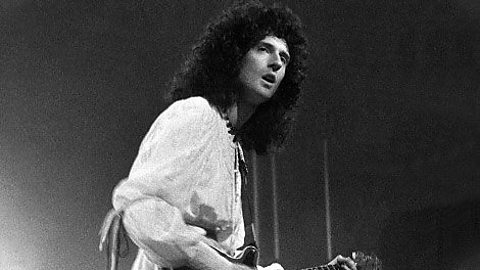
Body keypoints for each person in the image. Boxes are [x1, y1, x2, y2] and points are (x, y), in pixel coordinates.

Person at [100, 1, 357, 270]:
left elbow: (231, 260)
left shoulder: (234, 149)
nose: (275, 64)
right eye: (264, 49)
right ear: (234, 55)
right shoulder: (198, 114)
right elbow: (139, 206)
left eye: (284, 59)